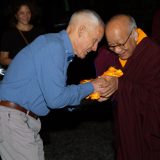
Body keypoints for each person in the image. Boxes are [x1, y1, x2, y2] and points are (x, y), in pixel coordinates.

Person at [0, 9, 115, 160]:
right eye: (95, 40)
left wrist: (90, 95)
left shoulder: (59, 48)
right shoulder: (53, 47)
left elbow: (56, 96)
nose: (94, 48)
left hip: (21, 120)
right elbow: (56, 99)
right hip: (13, 119)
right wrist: (92, 86)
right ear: (81, 30)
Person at [95, 14, 160, 160]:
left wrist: (121, 86)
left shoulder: (154, 56)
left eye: (121, 43)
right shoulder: (117, 55)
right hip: (127, 134)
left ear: (135, 34)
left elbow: (156, 102)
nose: (117, 50)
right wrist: (108, 90)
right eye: (112, 45)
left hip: (150, 140)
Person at [0, 0, 44, 68]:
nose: (25, 15)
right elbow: (2, 59)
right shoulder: (9, 34)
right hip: (20, 72)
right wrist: (20, 62)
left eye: (28, 12)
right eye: (21, 13)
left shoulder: (39, 31)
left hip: (38, 70)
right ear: (16, 15)